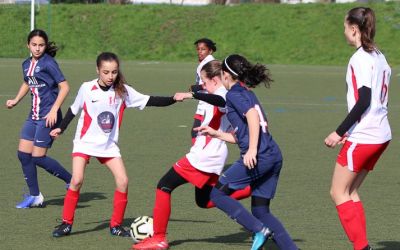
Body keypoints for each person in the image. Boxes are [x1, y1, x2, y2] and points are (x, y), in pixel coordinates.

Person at [51, 52, 179, 238]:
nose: (110, 76)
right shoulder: (87, 88)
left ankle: (116, 225)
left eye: (114, 72)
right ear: (97, 70)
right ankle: (66, 224)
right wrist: (60, 129)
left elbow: (149, 100)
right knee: (76, 180)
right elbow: (73, 110)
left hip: (108, 145)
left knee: (123, 181)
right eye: (106, 72)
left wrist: (173, 99)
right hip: (84, 142)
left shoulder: (122, 91)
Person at [132, 60, 252, 250]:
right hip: (213, 155)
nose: (203, 86)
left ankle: (159, 238)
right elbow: (211, 93)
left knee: (164, 185)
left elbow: (220, 101)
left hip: (204, 155)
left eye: (205, 82)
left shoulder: (223, 96)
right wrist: (197, 90)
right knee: (204, 201)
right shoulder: (223, 91)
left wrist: (192, 94)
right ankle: (250, 189)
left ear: (215, 80)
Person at [195, 55, 298, 250]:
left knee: (217, 195)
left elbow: (252, 116)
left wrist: (251, 150)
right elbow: (244, 133)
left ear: (225, 75)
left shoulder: (234, 94)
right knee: (261, 210)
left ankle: (259, 230)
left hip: (259, 157)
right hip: (273, 154)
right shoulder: (246, 92)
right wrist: (217, 134)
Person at [324, 7, 391, 250]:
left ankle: (362, 248)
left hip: (366, 136)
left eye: (345, 27)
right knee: (351, 192)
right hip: (381, 135)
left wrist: (339, 132)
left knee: (338, 192)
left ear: (354, 29)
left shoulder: (360, 58)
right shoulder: (379, 55)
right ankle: (363, 246)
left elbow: (364, 100)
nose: (343, 32)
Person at [6, 29, 72, 209]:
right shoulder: (26, 64)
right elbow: (28, 82)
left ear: (45, 46)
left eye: (41, 45)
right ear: (28, 45)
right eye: (34, 45)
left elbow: (65, 87)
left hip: (48, 117)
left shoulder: (49, 63)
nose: (37, 48)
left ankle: (72, 181)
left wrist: (54, 110)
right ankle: (35, 196)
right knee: (23, 155)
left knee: (38, 157)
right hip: (33, 116)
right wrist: (16, 100)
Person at [190, 38, 217, 144]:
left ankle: (198, 156)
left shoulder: (210, 63)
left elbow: (216, 84)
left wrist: (199, 88)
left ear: (210, 51)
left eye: (203, 49)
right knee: (197, 132)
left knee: (198, 132)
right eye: (198, 49)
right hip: (203, 103)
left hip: (208, 104)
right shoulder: (204, 62)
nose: (199, 51)